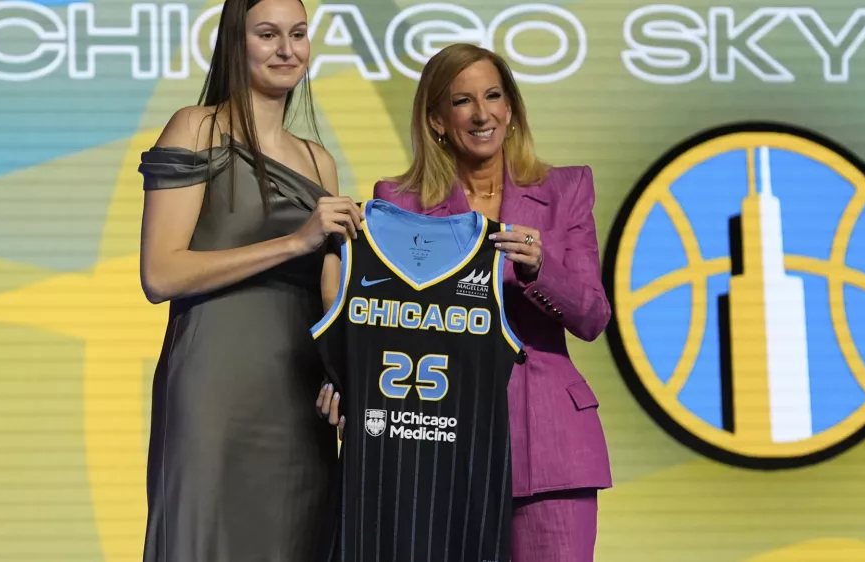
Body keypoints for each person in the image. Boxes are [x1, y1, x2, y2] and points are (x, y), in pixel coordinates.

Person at [316, 43, 612, 561]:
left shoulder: (566, 189)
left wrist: (542, 269)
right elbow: (379, 318)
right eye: (462, 101)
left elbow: (592, 316)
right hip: (439, 447)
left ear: (512, 109)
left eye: (494, 96)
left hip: (550, 446)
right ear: (436, 120)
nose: (482, 114)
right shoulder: (399, 202)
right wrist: (345, 380)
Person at [137, 0, 361, 560]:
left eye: (299, 34)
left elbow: (331, 292)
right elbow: (160, 273)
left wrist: (349, 375)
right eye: (268, 34)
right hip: (214, 391)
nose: (287, 50)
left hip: (299, 397)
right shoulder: (196, 127)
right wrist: (294, 242)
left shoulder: (318, 161)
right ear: (236, 43)